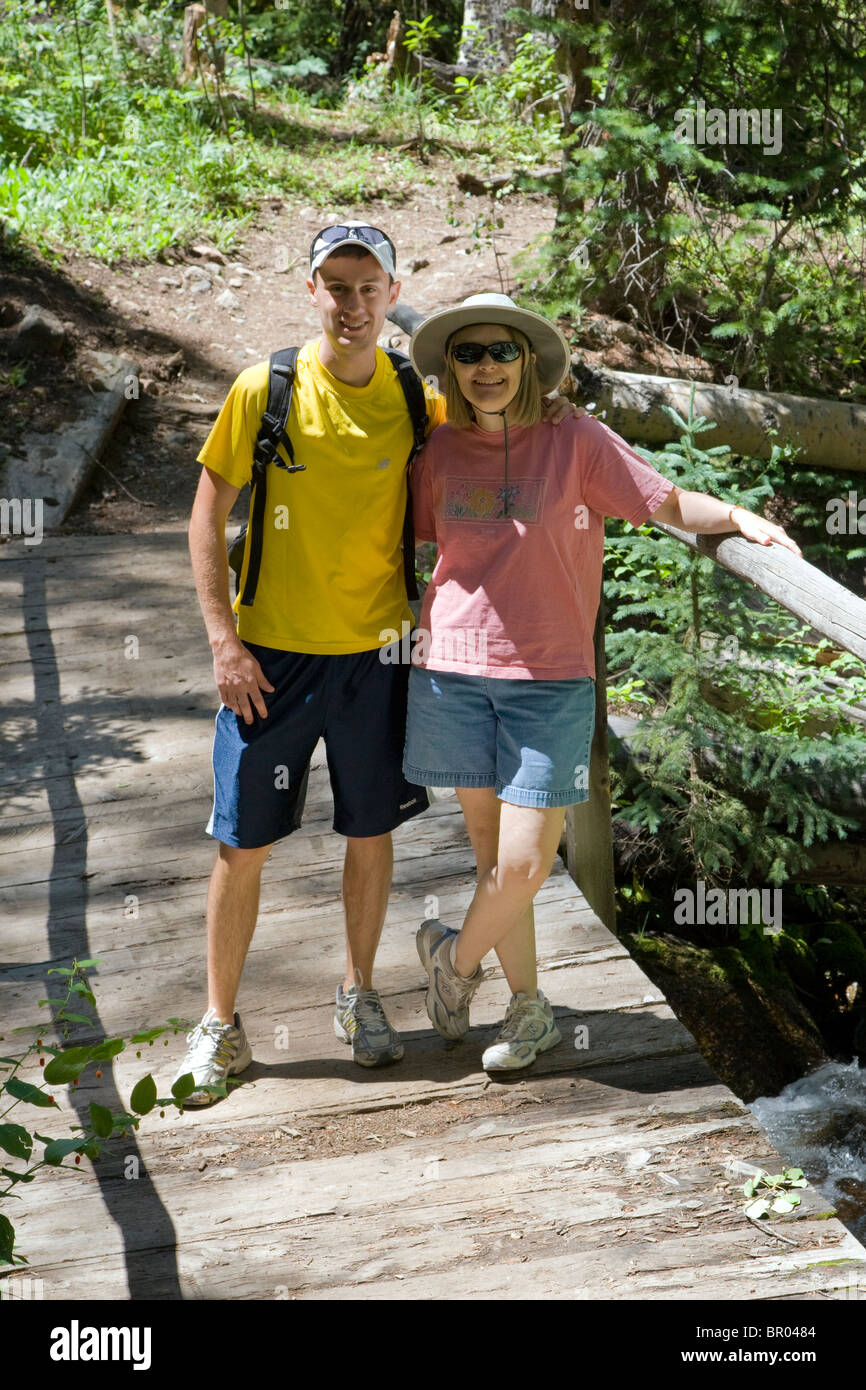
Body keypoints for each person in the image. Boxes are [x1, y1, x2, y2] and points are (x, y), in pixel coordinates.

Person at [175, 236, 579, 1104]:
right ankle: (220, 1026)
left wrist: (559, 394)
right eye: (337, 287)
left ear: (393, 292)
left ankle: (359, 998)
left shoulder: (410, 393)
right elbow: (206, 515)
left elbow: (495, 416)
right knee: (241, 845)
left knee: (370, 835)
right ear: (310, 287)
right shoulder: (267, 389)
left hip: (381, 655)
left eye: (369, 289)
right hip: (271, 660)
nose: (353, 305)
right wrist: (222, 640)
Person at [404, 292, 801, 1072]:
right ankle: (528, 1013)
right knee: (494, 859)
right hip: (452, 669)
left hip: (549, 678)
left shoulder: (575, 439)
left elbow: (659, 499)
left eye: (502, 352)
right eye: (470, 354)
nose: (487, 367)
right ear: (451, 367)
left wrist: (738, 517)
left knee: (522, 865)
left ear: (529, 362)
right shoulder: (440, 450)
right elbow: (417, 542)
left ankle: (451, 964)